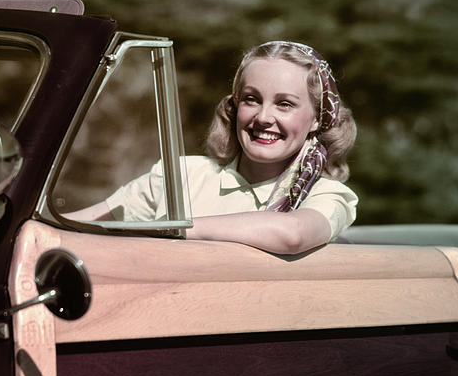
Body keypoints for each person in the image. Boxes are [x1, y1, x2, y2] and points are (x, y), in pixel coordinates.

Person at [64, 41, 358, 255]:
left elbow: (293, 234)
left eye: (284, 104)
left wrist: (172, 228)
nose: (263, 117)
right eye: (251, 99)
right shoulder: (182, 174)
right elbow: (77, 226)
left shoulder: (327, 195)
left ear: (318, 119)